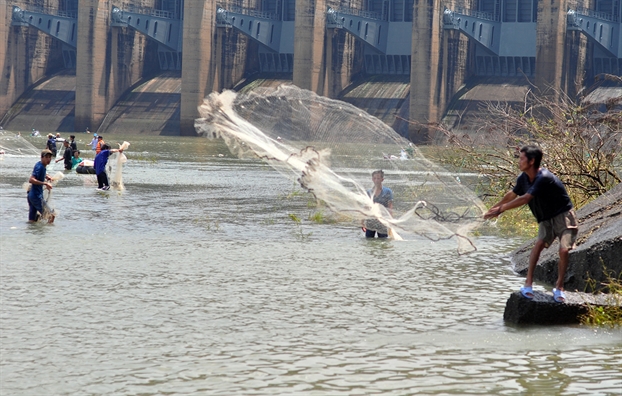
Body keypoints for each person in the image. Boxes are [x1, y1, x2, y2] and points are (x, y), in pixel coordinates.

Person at [484, 145, 578, 303]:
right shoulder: (523, 178)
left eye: (522, 159)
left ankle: (559, 287)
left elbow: (525, 198)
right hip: (545, 218)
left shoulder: (544, 177)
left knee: (563, 250)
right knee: (539, 244)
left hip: (563, 215)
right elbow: (513, 194)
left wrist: (502, 209)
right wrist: (495, 207)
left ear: (532, 161)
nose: (519, 162)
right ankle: (528, 284)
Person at [364, 170, 394, 238]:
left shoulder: (387, 192)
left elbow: (390, 207)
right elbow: (366, 207)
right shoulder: (369, 192)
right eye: (374, 178)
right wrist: (363, 222)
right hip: (370, 221)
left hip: (382, 221)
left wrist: (390, 221)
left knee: (383, 241)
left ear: (382, 179)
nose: (376, 180)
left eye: (378, 178)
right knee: (369, 242)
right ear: (372, 179)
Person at [28, 149, 55, 223]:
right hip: (36, 196)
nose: (48, 159)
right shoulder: (40, 167)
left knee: (32, 220)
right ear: (42, 157)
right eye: (46, 157)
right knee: (51, 215)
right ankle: (48, 233)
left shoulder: (40, 165)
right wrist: (45, 183)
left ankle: (31, 233)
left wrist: (46, 176)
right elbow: (31, 180)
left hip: (32, 196)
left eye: (50, 157)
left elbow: (38, 174)